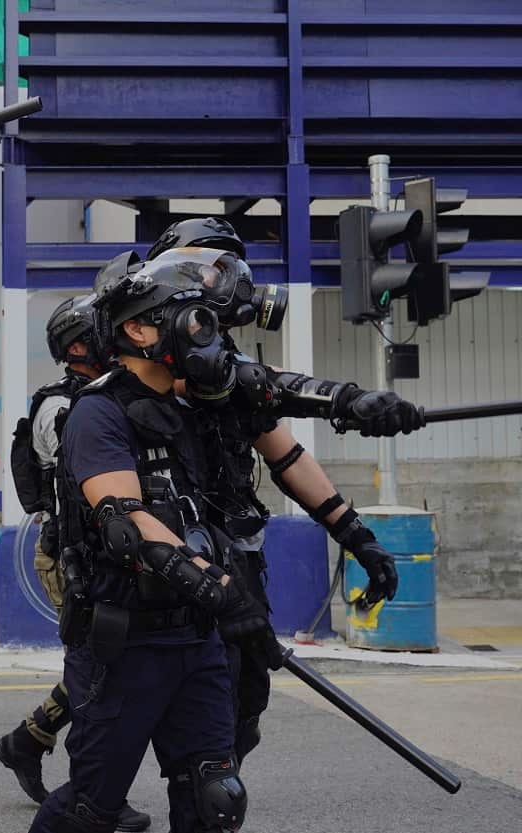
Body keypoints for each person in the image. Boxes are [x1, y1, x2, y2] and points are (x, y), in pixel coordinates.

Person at [146, 221, 415, 764]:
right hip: (164, 560)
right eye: (206, 267)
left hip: (236, 557)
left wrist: (359, 539)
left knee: (243, 708)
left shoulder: (230, 364)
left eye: (228, 269)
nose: (222, 283)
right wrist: (345, 399)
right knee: (138, 706)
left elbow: (286, 456)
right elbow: (241, 381)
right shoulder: (150, 355)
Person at [29, 257, 275, 833]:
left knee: (216, 796)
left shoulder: (198, 410)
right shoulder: (97, 411)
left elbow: (272, 415)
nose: (202, 329)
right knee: (93, 808)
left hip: (197, 637)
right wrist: (226, 594)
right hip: (124, 645)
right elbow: (127, 523)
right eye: (187, 317)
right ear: (137, 329)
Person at [0, 296, 149, 832]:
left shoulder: (108, 395)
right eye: (100, 332)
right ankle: (90, 793)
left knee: (110, 664)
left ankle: (28, 740)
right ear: (78, 346)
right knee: (100, 669)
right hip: (73, 555)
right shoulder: (64, 407)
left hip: (111, 553)